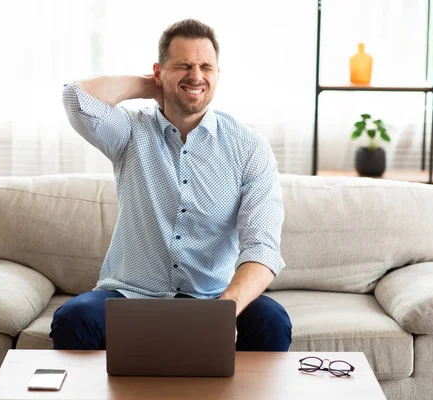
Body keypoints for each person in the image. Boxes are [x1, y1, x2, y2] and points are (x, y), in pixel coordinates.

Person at [50, 18, 292, 351]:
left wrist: (225, 309)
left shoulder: (248, 147)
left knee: (271, 321)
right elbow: (75, 99)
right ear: (159, 71)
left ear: (218, 73)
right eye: (183, 66)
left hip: (214, 297)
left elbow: (262, 249)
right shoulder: (129, 132)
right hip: (131, 296)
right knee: (74, 317)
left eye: (206, 66)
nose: (196, 75)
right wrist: (151, 85)